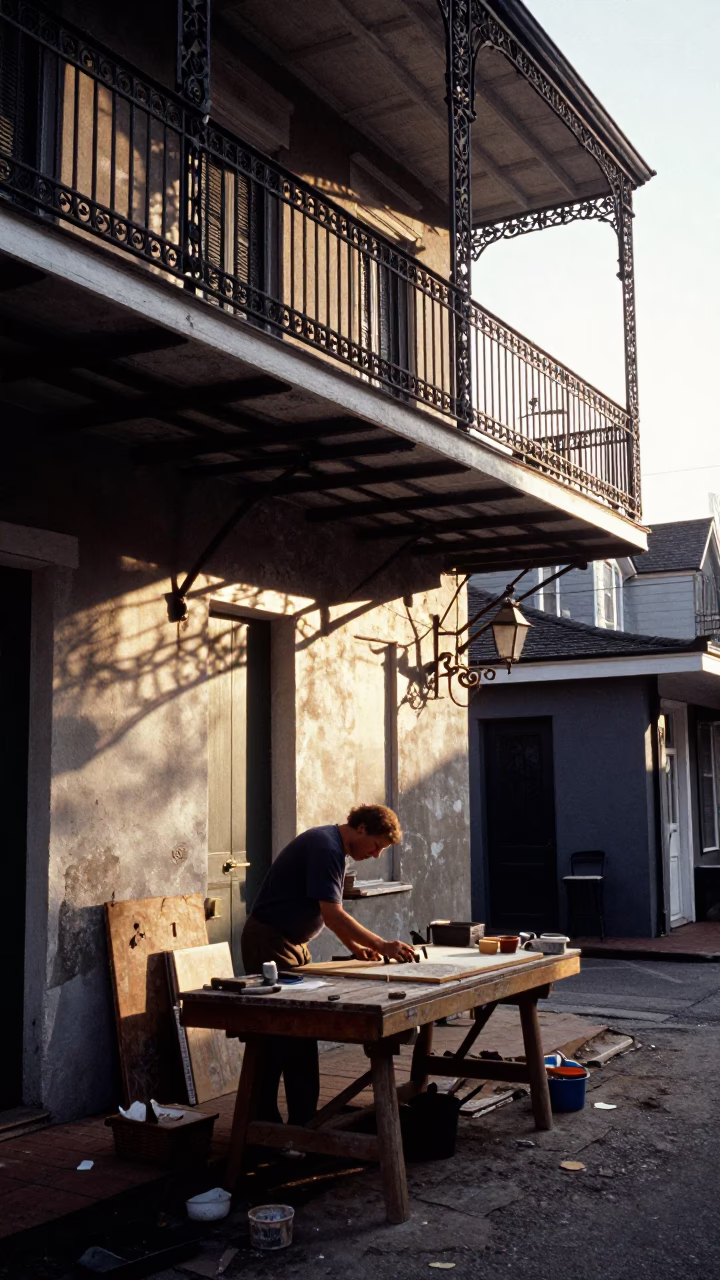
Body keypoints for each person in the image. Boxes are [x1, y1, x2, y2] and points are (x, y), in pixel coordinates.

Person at [241, 804, 415, 1126]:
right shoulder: (326, 848)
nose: (377, 855)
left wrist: (355, 947)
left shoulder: (332, 847)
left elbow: (328, 916)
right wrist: (383, 945)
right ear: (361, 828)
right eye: (377, 845)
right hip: (269, 943)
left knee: (301, 1036)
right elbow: (334, 914)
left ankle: (302, 1124)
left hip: (291, 945)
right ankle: (266, 1127)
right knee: (281, 1037)